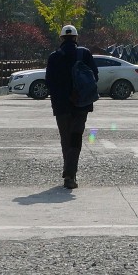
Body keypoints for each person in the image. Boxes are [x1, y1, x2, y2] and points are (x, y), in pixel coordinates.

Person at [45, 23, 96, 188]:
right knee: (75, 139)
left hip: (61, 107)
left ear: (61, 38)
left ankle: (68, 171)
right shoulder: (85, 54)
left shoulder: (54, 57)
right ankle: (70, 174)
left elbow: (49, 82)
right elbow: (94, 76)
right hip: (81, 105)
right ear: (75, 38)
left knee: (65, 138)